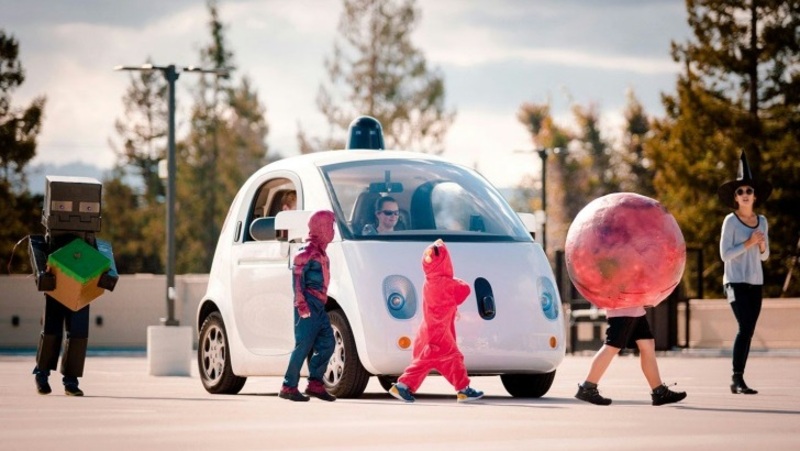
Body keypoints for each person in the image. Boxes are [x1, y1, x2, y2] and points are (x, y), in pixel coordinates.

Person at [389, 239, 483, 403]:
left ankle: (461, 389)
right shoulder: (447, 283)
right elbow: (465, 288)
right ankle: (403, 385)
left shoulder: (429, 282)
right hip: (439, 333)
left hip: (427, 330)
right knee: (453, 358)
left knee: (425, 362)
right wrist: (454, 283)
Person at [717, 151, 771, 395]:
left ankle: (738, 379)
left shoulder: (763, 221)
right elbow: (724, 255)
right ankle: (737, 378)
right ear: (735, 198)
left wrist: (760, 245)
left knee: (748, 329)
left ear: (755, 196)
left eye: (749, 191)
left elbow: (765, 256)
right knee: (745, 326)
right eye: (740, 192)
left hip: (755, 281)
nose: (745, 194)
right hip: (735, 282)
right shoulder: (730, 221)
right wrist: (748, 244)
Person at [574, 306, 687, 406]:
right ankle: (587, 388)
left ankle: (659, 392)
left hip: (635, 307)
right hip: (623, 307)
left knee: (647, 344)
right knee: (612, 346)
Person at [279, 210, 337, 402]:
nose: (333, 230)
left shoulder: (321, 253)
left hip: (319, 305)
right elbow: (297, 281)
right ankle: (288, 386)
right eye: (330, 226)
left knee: (328, 343)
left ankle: (315, 383)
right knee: (303, 346)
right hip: (309, 303)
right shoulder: (306, 252)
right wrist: (301, 304)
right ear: (321, 228)